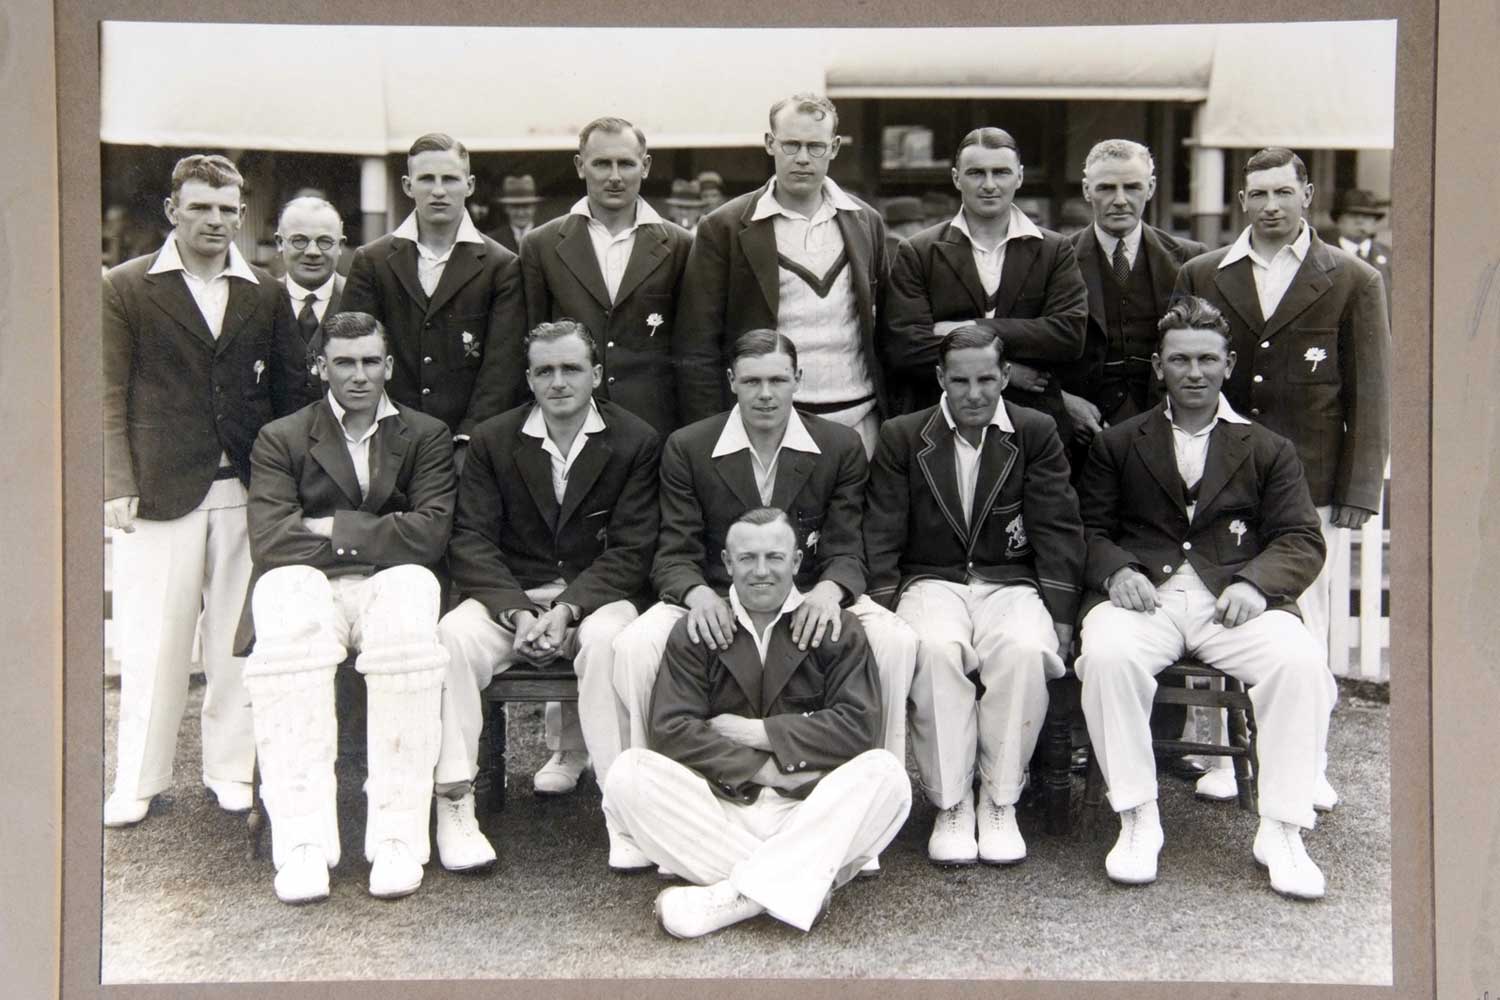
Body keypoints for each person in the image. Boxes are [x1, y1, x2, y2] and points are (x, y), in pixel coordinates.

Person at [612, 331, 917, 872]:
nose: (766, 394)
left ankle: (863, 816)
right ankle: (647, 818)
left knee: (895, 638)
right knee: (636, 645)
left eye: (778, 380)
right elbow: (673, 551)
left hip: (809, 588)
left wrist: (830, 590)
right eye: (751, 381)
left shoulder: (839, 445)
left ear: (799, 381)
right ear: (731, 383)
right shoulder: (689, 445)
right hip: (715, 589)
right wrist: (699, 594)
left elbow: (850, 546)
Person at [1073, 296, 1333, 899]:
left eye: (1207, 360)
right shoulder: (1119, 442)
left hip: (1231, 601)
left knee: (1299, 662)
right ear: (1159, 366)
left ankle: (1283, 827)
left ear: (1228, 363)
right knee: (1108, 654)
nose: (1195, 373)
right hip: (1146, 598)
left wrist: (1255, 583)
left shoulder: (1266, 447)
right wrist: (1115, 572)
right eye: (1180, 360)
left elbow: (1300, 537)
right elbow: (1086, 531)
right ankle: (1138, 817)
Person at [102, 153, 314, 828]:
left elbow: (289, 399)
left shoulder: (263, 292)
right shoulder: (127, 286)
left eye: (227, 209)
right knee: (153, 641)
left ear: (241, 215)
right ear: (173, 211)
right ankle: (137, 779)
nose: (215, 221)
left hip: (247, 491)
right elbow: (105, 393)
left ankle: (231, 770)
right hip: (159, 491)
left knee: (236, 640)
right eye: (200, 207)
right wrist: (115, 480)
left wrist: (287, 490)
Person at [1174, 147, 1390, 806]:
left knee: (1306, 625)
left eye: (1283, 192)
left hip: (1311, 483)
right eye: (1258, 193)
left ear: (1306, 194)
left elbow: (1371, 394)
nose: (1271, 205)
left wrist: (1358, 490)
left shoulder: (1352, 279)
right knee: (1216, 605)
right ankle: (1215, 755)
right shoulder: (1205, 273)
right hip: (1219, 482)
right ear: (1241, 201)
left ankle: (1306, 761)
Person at [603, 507, 912, 939]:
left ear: (797, 562)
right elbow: (672, 730)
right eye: (747, 558)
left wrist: (759, 732)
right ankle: (799, 883)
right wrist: (766, 770)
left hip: (810, 806)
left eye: (775, 557)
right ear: (728, 564)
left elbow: (857, 727)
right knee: (627, 775)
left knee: (888, 775)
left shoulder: (836, 627)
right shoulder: (697, 630)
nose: (761, 571)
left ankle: (732, 896)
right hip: (721, 806)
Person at [235, 311, 457, 904]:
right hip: (308, 583)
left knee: (413, 594)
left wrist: (329, 525)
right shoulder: (282, 436)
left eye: (369, 362)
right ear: (320, 367)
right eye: (343, 362)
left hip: (390, 583)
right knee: (284, 604)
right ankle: (303, 844)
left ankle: (397, 837)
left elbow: (430, 535)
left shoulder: (426, 434)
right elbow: (273, 542)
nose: (358, 376)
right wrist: (380, 530)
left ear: (387, 366)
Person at [863, 325, 1084, 866]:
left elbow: (1057, 525)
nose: (974, 393)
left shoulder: (1035, 430)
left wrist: (1060, 613)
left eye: (987, 378)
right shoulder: (902, 434)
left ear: (1005, 376)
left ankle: (1001, 798)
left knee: (1026, 651)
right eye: (960, 381)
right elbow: (883, 528)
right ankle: (952, 801)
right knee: (935, 650)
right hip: (930, 578)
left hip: (1009, 579)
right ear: (940, 379)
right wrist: (881, 606)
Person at [436, 320, 661, 841]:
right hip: (512, 596)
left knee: (611, 640)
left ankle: (623, 808)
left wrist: (567, 611)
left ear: (596, 374)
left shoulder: (636, 440)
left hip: (595, 598)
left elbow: (633, 549)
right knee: (452, 637)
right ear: (530, 379)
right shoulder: (494, 440)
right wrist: (517, 612)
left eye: (571, 369)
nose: (559, 382)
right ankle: (455, 802)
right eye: (545, 371)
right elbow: (470, 540)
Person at [674, 94, 890, 455]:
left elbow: (885, 328)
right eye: (791, 145)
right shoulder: (723, 227)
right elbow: (697, 347)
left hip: (861, 421)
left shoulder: (866, 221)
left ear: (834, 147)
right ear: (770, 143)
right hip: (767, 426)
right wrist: (713, 439)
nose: (803, 158)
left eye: (815, 147)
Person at [339, 133, 526, 464]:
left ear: (469, 185)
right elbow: (355, 354)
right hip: (385, 441)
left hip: (468, 450)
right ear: (408, 186)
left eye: (450, 179)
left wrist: (470, 441)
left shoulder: (502, 265)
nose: (438, 190)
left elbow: (502, 368)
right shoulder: (372, 260)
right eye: (427, 179)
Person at [885, 127, 1088, 425]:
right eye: (976, 173)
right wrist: (1009, 372)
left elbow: (1069, 335)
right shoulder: (919, 251)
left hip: (1035, 423)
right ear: (956, 178)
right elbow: (906, 347)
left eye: (1001, 172)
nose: (989, 184)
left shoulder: (1055, 250)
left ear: (1018, 176)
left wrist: (970, 327)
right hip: (942, 421)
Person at [520, 117, 694, 435]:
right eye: (601, 164)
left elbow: (690, 349)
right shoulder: (540, 245)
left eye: (626, 164)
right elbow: (531, 342)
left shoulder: (681, 245)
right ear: (580, 165)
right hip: (569, 426)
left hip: (656, 426)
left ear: (646, 166)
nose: (614, 177)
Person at [1060, 140, 1208, 452]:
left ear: (1151, 188)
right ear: (1087, 191)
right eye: (1105, 188)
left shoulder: (1189, 260)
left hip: (1169, 434)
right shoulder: (1056, 260)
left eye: (1132, 187)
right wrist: (1064, 403)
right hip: (1083, 437)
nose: (1120, 200)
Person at [274, 195, 347, 384]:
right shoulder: (262, 299)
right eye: (299, 240)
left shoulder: (360, 297)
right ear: (279, 243)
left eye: (325, 241)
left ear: (341, 245)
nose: (312, 252)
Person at [1325, 188, 1393, 313]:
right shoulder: (1323, 256)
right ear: (1339, 221)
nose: (1360, 221)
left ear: (1374, 222)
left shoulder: (1389, 256)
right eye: (1353, 215)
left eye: (1367, 216)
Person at [491, 174, 542, 254]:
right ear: (506, 208)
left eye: (526, 206)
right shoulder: (493, 241)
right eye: (515, 207)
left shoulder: (546, 237)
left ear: (534, 207)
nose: (520, 213)